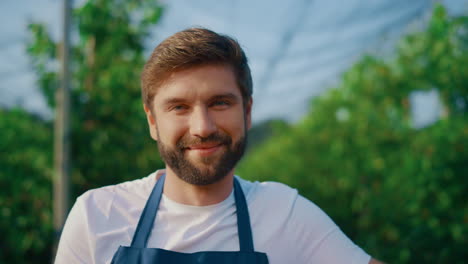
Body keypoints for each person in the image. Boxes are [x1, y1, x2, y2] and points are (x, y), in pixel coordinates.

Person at [55, 28, 383, 264]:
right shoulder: (98, 215)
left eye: (220, 103)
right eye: (179, 107)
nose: (203, 128)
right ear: (153, 121)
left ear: (248, 111)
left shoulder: (285, 213)